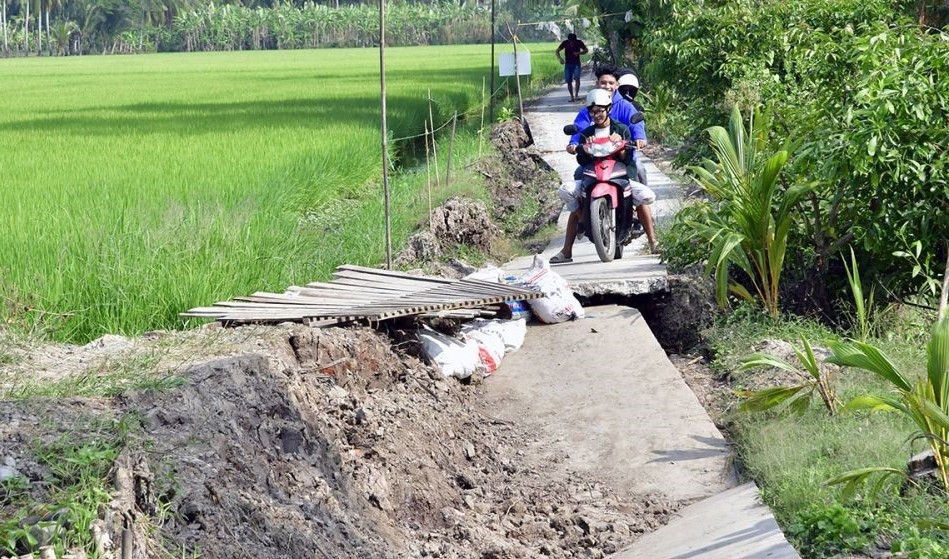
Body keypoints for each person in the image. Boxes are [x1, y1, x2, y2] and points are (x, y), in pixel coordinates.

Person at [553, 67, 657, 260]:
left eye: (601, 111)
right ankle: (576, 231)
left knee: (641, 187)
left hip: (620, 167)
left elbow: (635, 127)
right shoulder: (588, 115)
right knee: (574, 188)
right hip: (594, 166)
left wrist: (635, 140)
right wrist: (577, 145)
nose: (597, 114)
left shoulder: (623, 113)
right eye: (594, 111)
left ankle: (653, 241)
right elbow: (579, 132)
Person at [555, 33, 588, 102]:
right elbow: (557, 51)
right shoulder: (565, 43)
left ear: (575, 40)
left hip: (576, 64)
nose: (572, 42)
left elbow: (586, 50)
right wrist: (560, 59)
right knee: (568, 81)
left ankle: (576, 95)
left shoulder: (579, 42)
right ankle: (572, 96)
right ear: (568, 40)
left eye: (573, 41)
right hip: (568, 64)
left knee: (577, 78)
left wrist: (579, 53)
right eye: (570, 41)